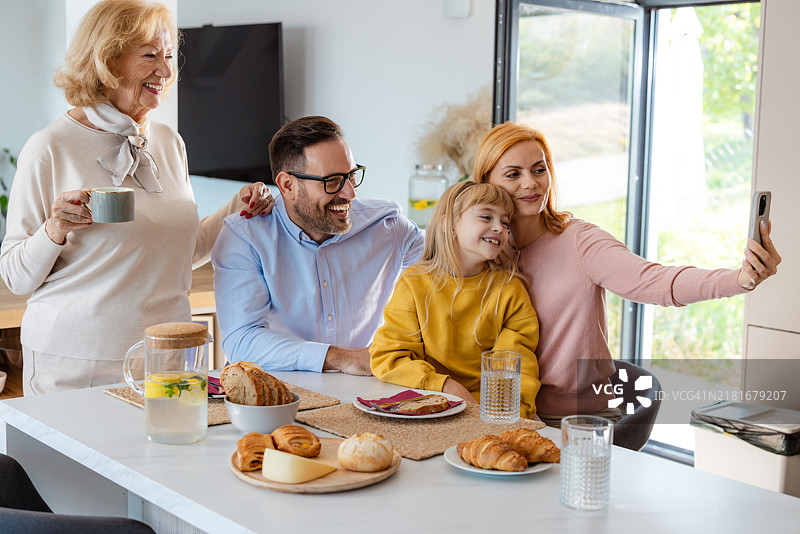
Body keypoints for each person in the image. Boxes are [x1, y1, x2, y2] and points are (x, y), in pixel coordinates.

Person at [0, 0, 272, 395]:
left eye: (168, 56)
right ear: (107, 59)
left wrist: (238, 208)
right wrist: (55, 227)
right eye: (150, 56)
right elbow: (15, 275)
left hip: (166, 353)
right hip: (78, 360)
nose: (165, 70)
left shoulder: (167, 142)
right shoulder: (49, 147)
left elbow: (184, 250)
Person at [472, 121, 782, 427]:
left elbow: (656, 282)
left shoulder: (580, 241)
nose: (531, 183)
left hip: (577, 419)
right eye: (514, 174)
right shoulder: (488, 251)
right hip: (505, 414)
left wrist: (738, 279)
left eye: (539, 170)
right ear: (486, 183)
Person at [211, 116, 425, 375]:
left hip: (364, 392)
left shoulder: (388, 228)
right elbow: (242, 341)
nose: (350, 194)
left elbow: (449, 263)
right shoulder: (246, 237)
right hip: (274, 393)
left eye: (351, 176)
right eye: (332, 181)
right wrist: (341, 358)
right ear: (287, 185)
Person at [369, 181, 540, 418]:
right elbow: (389, 357)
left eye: (505, 222)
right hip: (430, 405)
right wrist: (445, 386)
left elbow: (516, 371)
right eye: (486, 217)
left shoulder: (510, 290)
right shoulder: (414, 283)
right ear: (449, 225)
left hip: (489, 412)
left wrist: (494, 417)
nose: (499, 228)